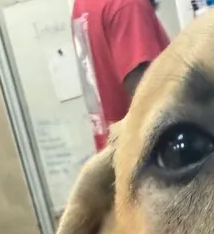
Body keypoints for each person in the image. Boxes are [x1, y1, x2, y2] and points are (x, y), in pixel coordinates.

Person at [71, 0, 170, 150]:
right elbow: (150, 97)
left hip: (116, 153)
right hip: (149, 155)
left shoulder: (83, 4)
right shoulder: (128, 5)